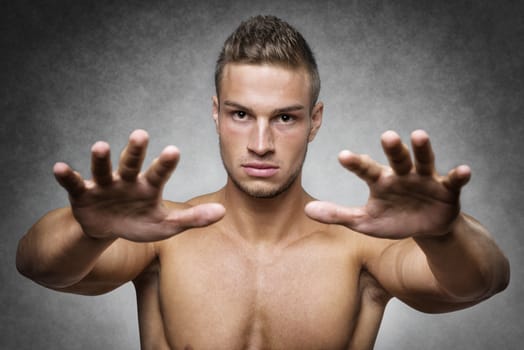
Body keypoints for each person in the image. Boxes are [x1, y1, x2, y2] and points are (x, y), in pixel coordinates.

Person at [17, 15, 509, 350]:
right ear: (216, 113)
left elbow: (481, 282)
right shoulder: (165, 240)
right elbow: (38, 265)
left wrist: (446, 234)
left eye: (285, 119)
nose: (260, 142)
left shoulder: (359, 252)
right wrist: (91, 232)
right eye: (240, 114)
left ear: (314, 121)